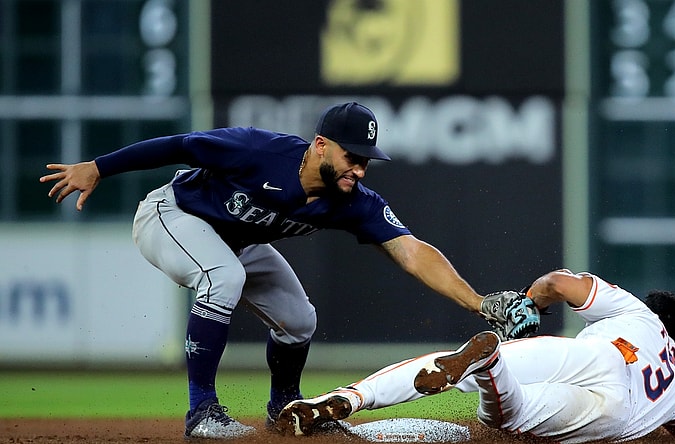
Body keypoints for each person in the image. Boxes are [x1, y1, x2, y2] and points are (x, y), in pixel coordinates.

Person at [39, 102, 496, 439]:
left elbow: (412, 251)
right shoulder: (257, 150)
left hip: (237, 241)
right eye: (351, 156)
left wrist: (478, 302)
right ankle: (202, 412)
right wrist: (98, 167)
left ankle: (283, 406)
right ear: (320, 145)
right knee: (223, 278)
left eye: (365, 160)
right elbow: (179, 146)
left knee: (299, 319)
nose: (358, 168)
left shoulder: (353, 201)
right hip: (172, 216)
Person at [276, 268, 675, 443]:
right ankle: (491, 368)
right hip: (620, 413)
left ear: (654, 311)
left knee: (456, 363)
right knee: (508, 417)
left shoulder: (636, 310)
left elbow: (558, 283)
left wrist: (530, 303)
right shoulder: (673, 383)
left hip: (597, 356)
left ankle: (348, 399)